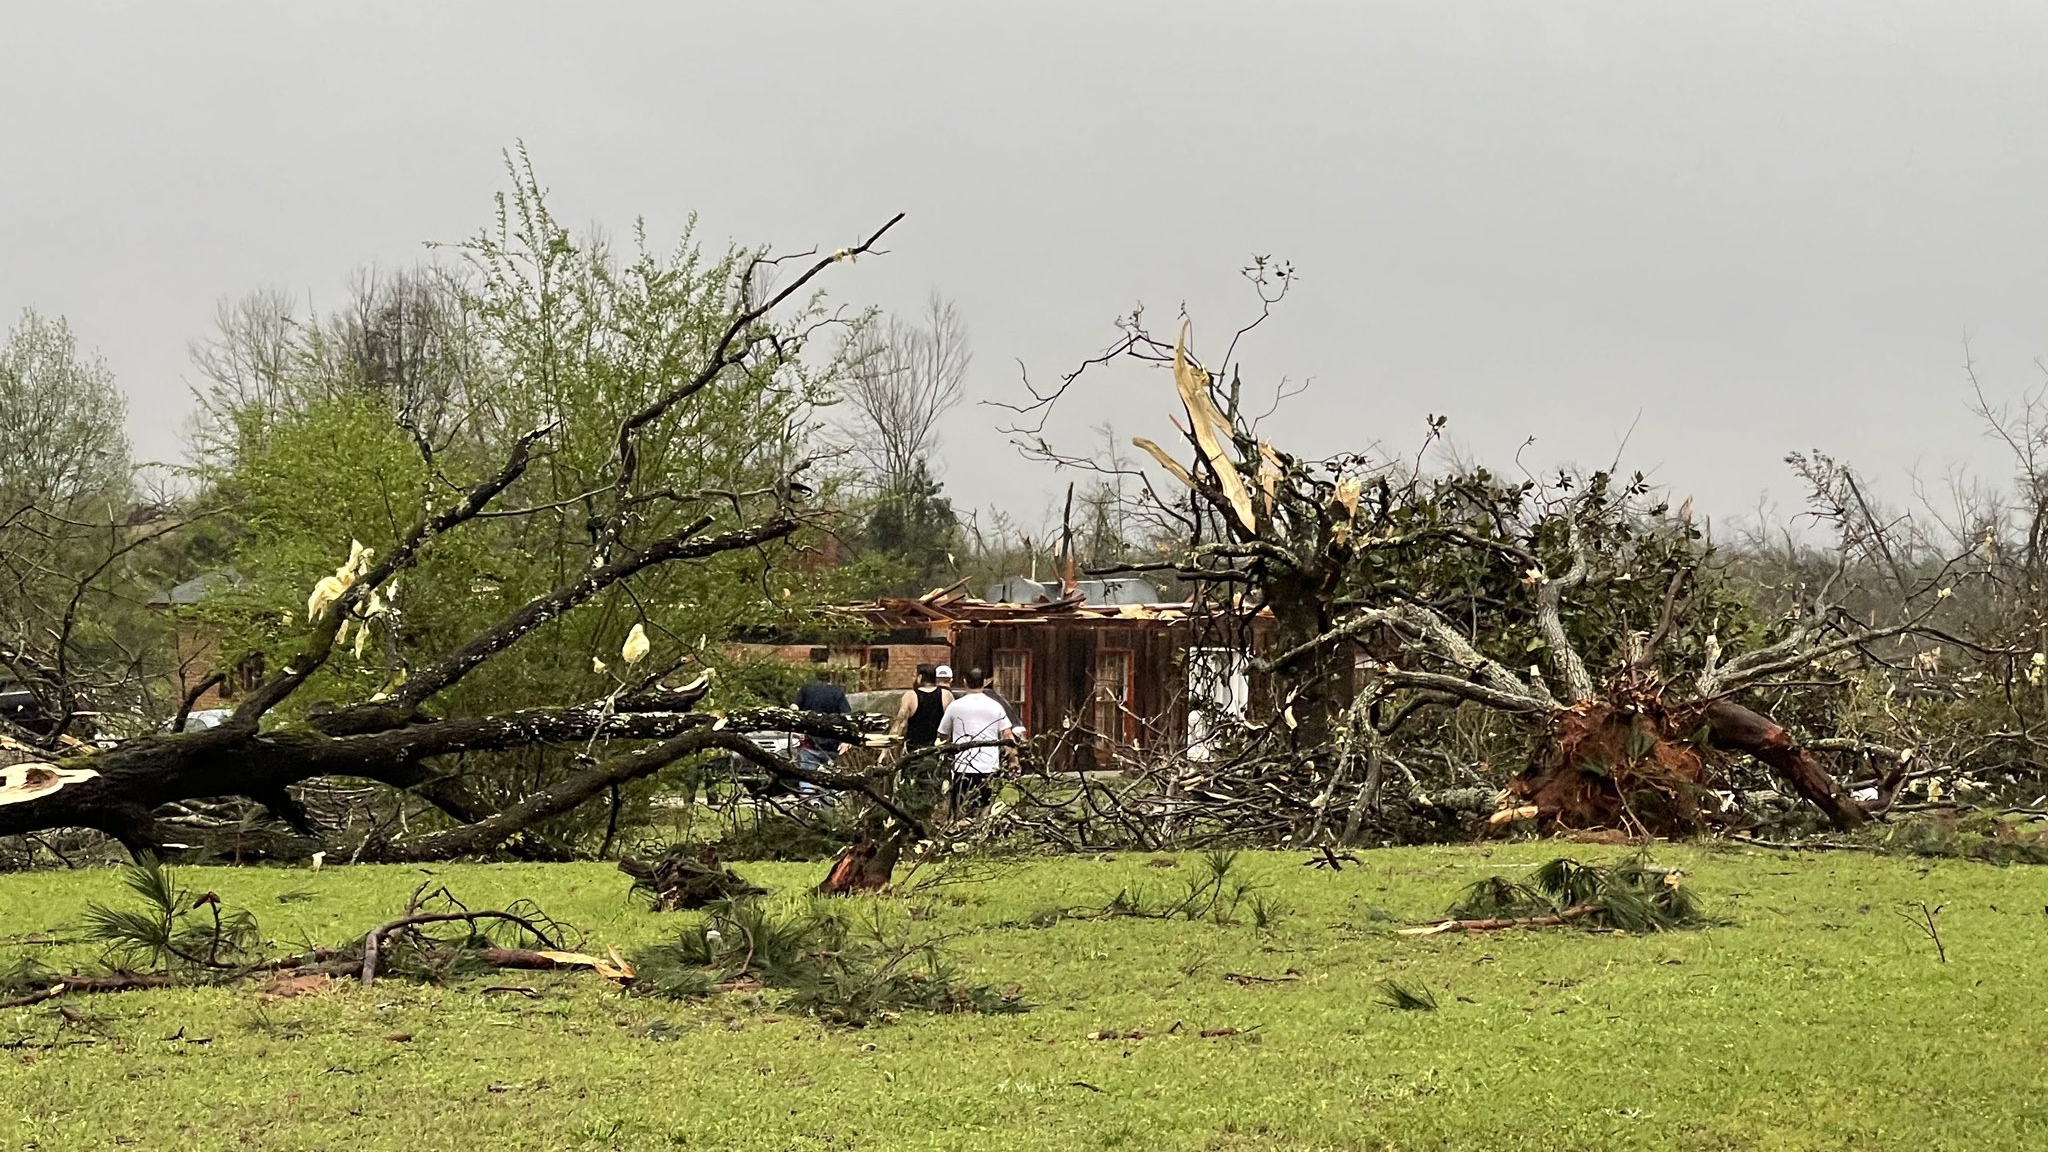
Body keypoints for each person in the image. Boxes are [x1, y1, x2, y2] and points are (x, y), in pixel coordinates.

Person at [936, 666, 1019, 820]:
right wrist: (1014, 760)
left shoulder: (955, 706)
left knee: (962, 812)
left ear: (965, 682)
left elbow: (942, 734)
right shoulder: (996, 706)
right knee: (984, 810)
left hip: (963, 767)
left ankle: (961, 837)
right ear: (984, 683)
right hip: (988, 767)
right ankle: (980, 835)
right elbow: (1008, 735)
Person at [793, 671, 852, 790]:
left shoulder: (806, 689)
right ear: (830, 679)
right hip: (832, 745)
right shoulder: (837, 692)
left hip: (810, 743)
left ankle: (809, 800)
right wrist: (847, 740)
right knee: (830, 779)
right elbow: (847, 716)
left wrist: (797, 728)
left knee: (806, 776)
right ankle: (828, 802)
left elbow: (794, 708)